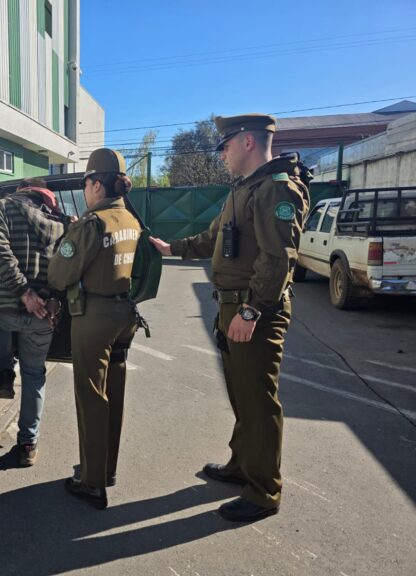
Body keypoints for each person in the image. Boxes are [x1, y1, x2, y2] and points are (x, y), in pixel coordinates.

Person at [150, 114, 310, 522]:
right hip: (231, 308)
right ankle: (243, 466)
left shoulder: (277, 190)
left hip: (254, 311)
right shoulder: (244, 190)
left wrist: (251, 310)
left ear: (249, 143)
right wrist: (173, 248)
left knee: (258, 401)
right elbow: (215, 238)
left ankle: (263, 492)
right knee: (242, 395)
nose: (221, 154)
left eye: (226, 145)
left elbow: (278, 260)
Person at [48, 148, 141, 509]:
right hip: (124, 314)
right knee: (113, 396)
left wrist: (69, 236)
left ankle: (91, 482)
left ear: (96, 185)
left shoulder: (90, 223)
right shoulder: (131, 219)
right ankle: (106, 470)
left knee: (91, 399)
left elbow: (59, 274)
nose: (85, 190)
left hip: (94, 318)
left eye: (86, 183)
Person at [0, 177, 66, 466]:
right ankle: (28, 444)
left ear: (22, 191)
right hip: (42, 312)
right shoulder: (59, 223)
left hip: (4, 307)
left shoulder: (2, 208)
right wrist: (53, 297)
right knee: (34, 375)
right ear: (47, 197)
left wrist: (22, 291)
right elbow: (65, 266)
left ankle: (4, 372)